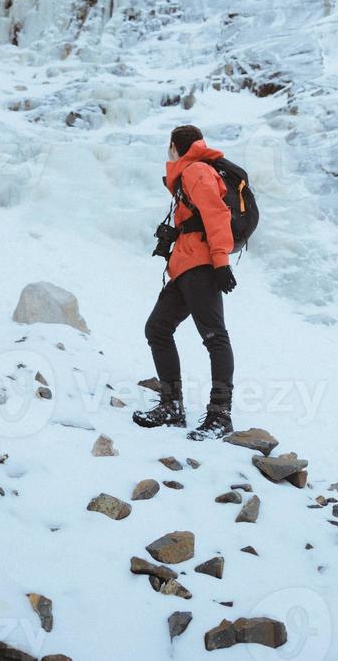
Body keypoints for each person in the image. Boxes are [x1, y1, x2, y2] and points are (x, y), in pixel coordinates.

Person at [133, 125, 238, 440]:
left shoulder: (196, 171)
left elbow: (217, 215)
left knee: (214, 337)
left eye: (169, 147)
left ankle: (220, 415)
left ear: (174, 146)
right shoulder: (190, 174)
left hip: (202, 266)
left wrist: (221, 263)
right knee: (157, 329)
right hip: (185, 265)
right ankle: (172, 407)